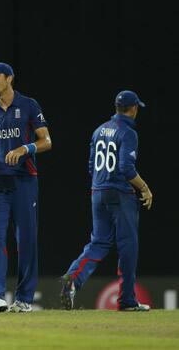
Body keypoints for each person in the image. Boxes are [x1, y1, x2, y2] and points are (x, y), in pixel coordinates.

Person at [0, 62, 52, 313]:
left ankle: (24, 298)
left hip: (25, 181)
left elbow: (46, 140)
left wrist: (26, 149)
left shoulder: (28, 105)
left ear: (9, 78)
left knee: (25, 240)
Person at [60, 90, 153, 311]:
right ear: (133, 109)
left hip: (98, 191)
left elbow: (91, 167)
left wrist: (101, 186)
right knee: (128, 246)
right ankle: (127, 300)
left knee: (99, 242)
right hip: (120, 193)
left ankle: (73, 279)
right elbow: (126, 169)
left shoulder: (99, 130)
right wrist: (145, 188)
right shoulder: (128, 132)